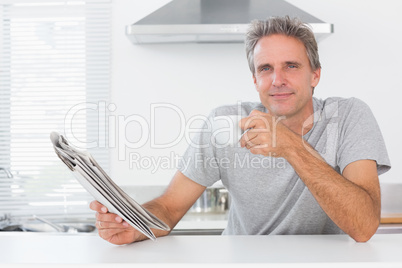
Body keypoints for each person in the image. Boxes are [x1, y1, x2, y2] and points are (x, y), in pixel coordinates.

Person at [90, 16, 391, 244]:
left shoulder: (349, 115)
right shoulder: (226, 124)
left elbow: (363, 226)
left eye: (291, 66)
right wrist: (133, 225)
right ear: (254, 80)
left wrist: (291, 146)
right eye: (266, 69)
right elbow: (169, 207)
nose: (277, 80)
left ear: (315, 75)